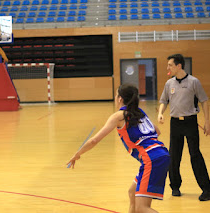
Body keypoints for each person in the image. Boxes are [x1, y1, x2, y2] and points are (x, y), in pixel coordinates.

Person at [67, 84, 170, 213]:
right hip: (161, 153)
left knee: (142, 208)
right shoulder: (140, 113)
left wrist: (78, 153)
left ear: (120, 99)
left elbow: (94, 140)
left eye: (116, 95)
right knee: (132, 192)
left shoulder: (119, 116)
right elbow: (157, 131)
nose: (115, 98)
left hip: (151, 159)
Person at [158, 54, 210, 201]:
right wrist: (160, 113)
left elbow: (204, 101)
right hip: (175, 123)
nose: (168, 67)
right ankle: (175, 186)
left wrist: (207, 122)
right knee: (174, 156)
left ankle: (207, 189)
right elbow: (163, 101)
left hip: (190, 122)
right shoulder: (169, 84)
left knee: (195, 155)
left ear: (179, 66)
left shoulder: (194, 82)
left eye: (170, 65)